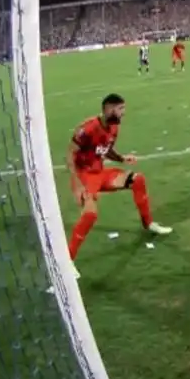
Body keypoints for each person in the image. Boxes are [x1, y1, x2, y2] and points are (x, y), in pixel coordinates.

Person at [66, 93, 171, 278]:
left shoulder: (114, 128)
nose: (123, 113)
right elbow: (70, 154)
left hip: (100, 173)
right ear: (108, 109)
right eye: (120, 109)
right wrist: (77, 185)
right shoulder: (87, 128)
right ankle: (66, 261)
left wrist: (121, 158)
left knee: (137, 179)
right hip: (85, 177)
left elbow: (105, 149)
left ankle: (149, 224)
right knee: (90, 214)